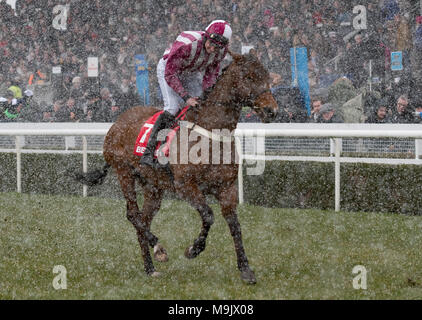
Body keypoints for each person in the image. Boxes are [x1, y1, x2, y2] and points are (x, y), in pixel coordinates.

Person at [140, 20, 232, 167]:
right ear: (206, 37)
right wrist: (186, 97)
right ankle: (149, 152)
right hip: (169, 69)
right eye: (211, 43)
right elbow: (170, 74)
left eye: (217, 46)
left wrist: (206, 93)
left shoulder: (221, 51)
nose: (212, 48)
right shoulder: (188, 43)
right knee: (173, 107)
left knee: (200, 104)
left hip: (190, 72)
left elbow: (210, 74)